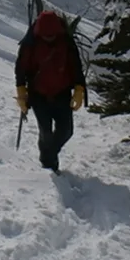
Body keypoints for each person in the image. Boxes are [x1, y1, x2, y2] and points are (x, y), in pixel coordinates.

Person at [14, 11, 86, 175]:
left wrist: (79, 88)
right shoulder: (30, 43)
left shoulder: (66, 42)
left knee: (66, 131)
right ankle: (49, 166)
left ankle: (47, 156)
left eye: (52, 36)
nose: (49, 38)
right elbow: (21, 68)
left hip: (62, 92)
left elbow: (75, 65)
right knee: (45, 132)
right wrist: (21, 90)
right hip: (38, 94)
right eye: (46, 36)